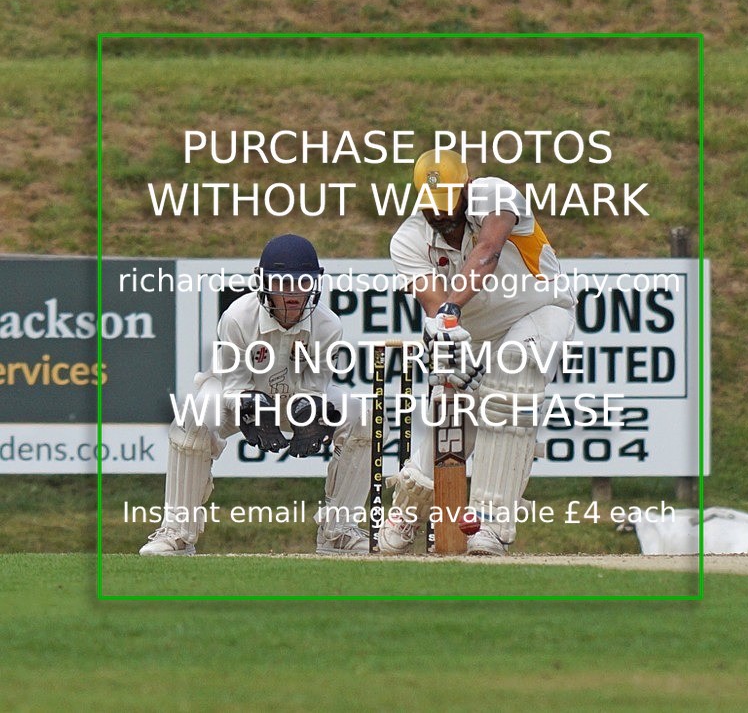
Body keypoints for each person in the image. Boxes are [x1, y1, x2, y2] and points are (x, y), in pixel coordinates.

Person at [378, 149, 576, 556]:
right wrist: (446, 335)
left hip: (539, 311)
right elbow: (436, 306)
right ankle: (407, 509)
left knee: (511, 381)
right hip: (474, 334)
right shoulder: (408, 240)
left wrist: (451, 310)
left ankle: (491, 522)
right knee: (448, 408)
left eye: (451, 201)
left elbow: (487, 252)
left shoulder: (496, 195)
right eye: (434, 207)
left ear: (467, 186)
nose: (444, 215)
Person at [140, 234, 371, 556]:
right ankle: (177, 533)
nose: (294, 293)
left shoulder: (328, 325)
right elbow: (233, 386)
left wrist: (309, 410)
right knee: (193, 415)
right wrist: (252, 406)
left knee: (362, 417)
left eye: (304, 282)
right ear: (264, 283)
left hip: (292, 397)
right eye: (284, 283)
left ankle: (339, 532)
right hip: (237, 394)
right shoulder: (238, 317)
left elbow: (315, 386)